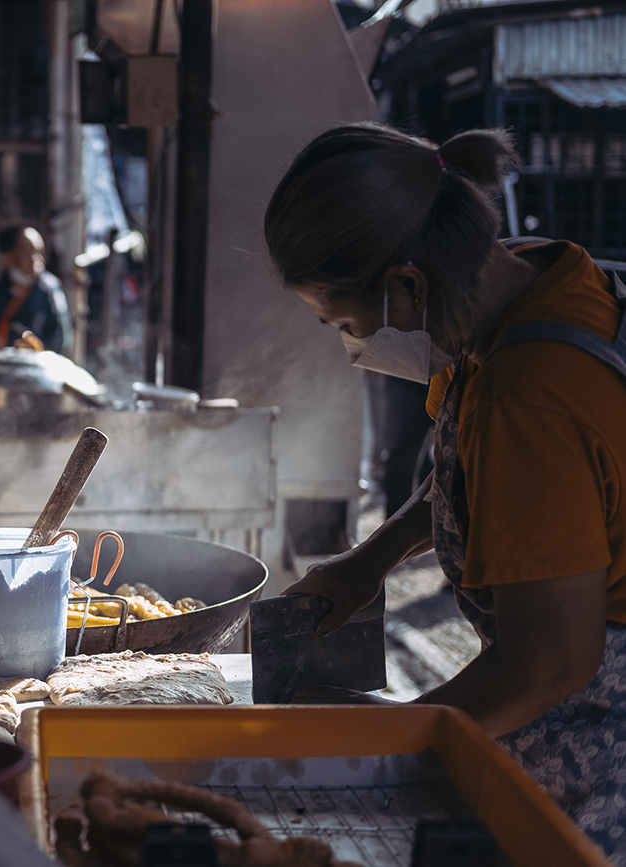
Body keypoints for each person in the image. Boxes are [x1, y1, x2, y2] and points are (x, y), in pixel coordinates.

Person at [264, 122, 626, 860]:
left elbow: (549, 664)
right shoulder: (529, 284)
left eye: (343, 322)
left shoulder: (527, 395)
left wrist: (378, 745)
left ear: (407, 285)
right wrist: (373, 557)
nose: (351, 345)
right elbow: (475, 479)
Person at [0, 225, 73, 354]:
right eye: (29, 252)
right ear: (6, 256)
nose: (38, 259)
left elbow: (61, 339)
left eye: (40, 252)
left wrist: (38, 347)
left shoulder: (49, 288)